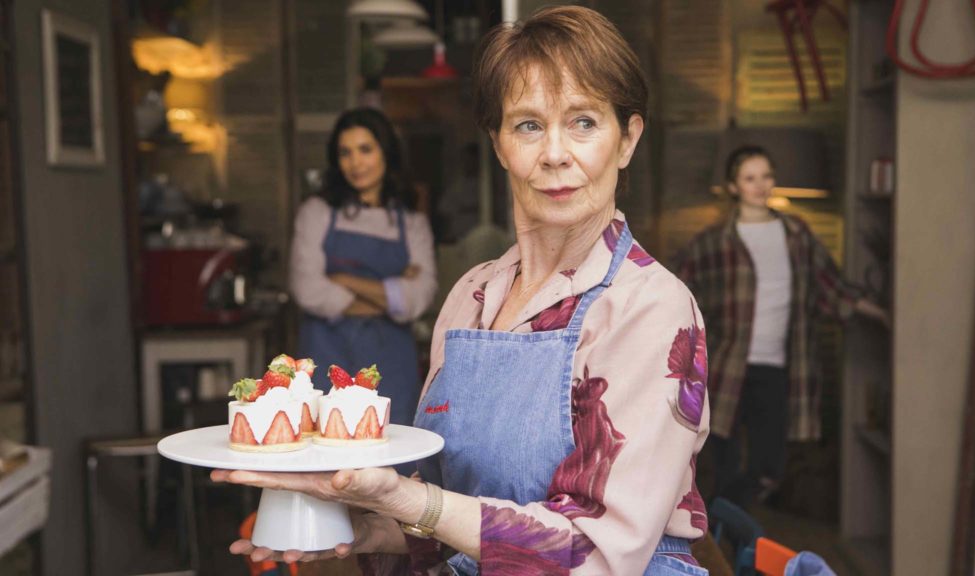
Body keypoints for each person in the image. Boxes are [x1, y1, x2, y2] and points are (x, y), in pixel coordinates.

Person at [216, 7, 711, 575]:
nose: (554, 153)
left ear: (627, 140)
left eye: (583, 122)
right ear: (499, 145)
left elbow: (599, 553)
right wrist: (371, 527)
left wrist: (409, 501)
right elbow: (446, 509)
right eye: (528, 125)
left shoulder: (649, 305)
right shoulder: (474, 295)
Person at [676, 145, 889, 510]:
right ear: (733, 187)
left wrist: (881, 314)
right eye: (749, 178)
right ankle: (726, 549)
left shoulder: (796, 233)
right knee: (721, 466)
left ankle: (727, 525)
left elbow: (831, 286)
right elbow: (676, 292)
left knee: (768, 466)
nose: (760, 185)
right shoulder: (712, 242)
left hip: (777, 368)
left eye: (767, 176)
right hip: (725, 370)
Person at [289, 107, 437, 429]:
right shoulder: (316, 212)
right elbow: (308, 289)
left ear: (386, 152)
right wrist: (390, 293)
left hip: (391, 362)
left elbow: (419, 298)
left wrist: (342, 280)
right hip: (326, 353)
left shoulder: (412, 222)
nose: (355, 163)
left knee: (390, 454)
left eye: (365, 150)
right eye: (346, 153)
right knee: (325, 451)